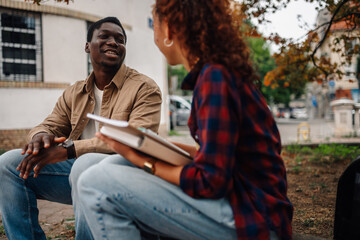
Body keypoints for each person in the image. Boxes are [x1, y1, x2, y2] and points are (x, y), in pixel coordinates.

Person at [75, 1, 293, 240]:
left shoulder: (215, 77)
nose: (154, 36)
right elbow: (211, 154)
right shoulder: (215, 74)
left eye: (155, 27)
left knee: (96, 182)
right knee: (94, 166)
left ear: (168, 30)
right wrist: (148, 143)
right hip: (240, 200)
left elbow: (211, 181)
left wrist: (143, 160)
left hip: (253, 216)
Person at [0, 16, 162, 240]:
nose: (113, 42)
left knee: (84, 164)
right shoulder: (75, 92)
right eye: (104, 36)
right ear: (88, 46)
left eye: (120, 39)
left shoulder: (145, 88)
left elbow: (135, 139)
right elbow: (50, 123)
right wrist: (40, 136)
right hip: (76, 173)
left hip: (126, 176)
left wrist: (69, 150)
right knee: (8, 164)